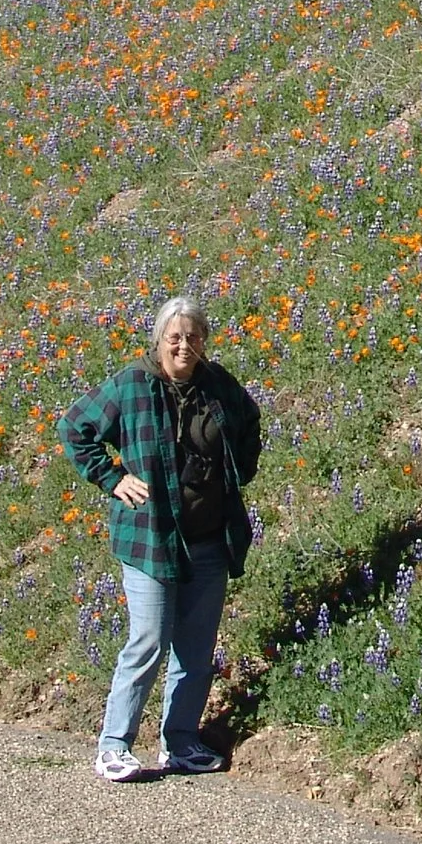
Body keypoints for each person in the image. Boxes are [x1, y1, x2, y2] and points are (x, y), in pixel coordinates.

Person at [62, 293, 262, 780]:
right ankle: (114, 744)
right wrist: (112, 478)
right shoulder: (132, 383)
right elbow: (75, 427)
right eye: (175, 337)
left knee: (195, 648)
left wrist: (238, 471)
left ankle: (180, 742)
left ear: (204, 342)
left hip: (209, 538)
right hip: (150, 537)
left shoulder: (217, 385)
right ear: (159, 340)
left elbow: (250, 421)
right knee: (148, 640)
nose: (184, 346)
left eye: (193, 337)